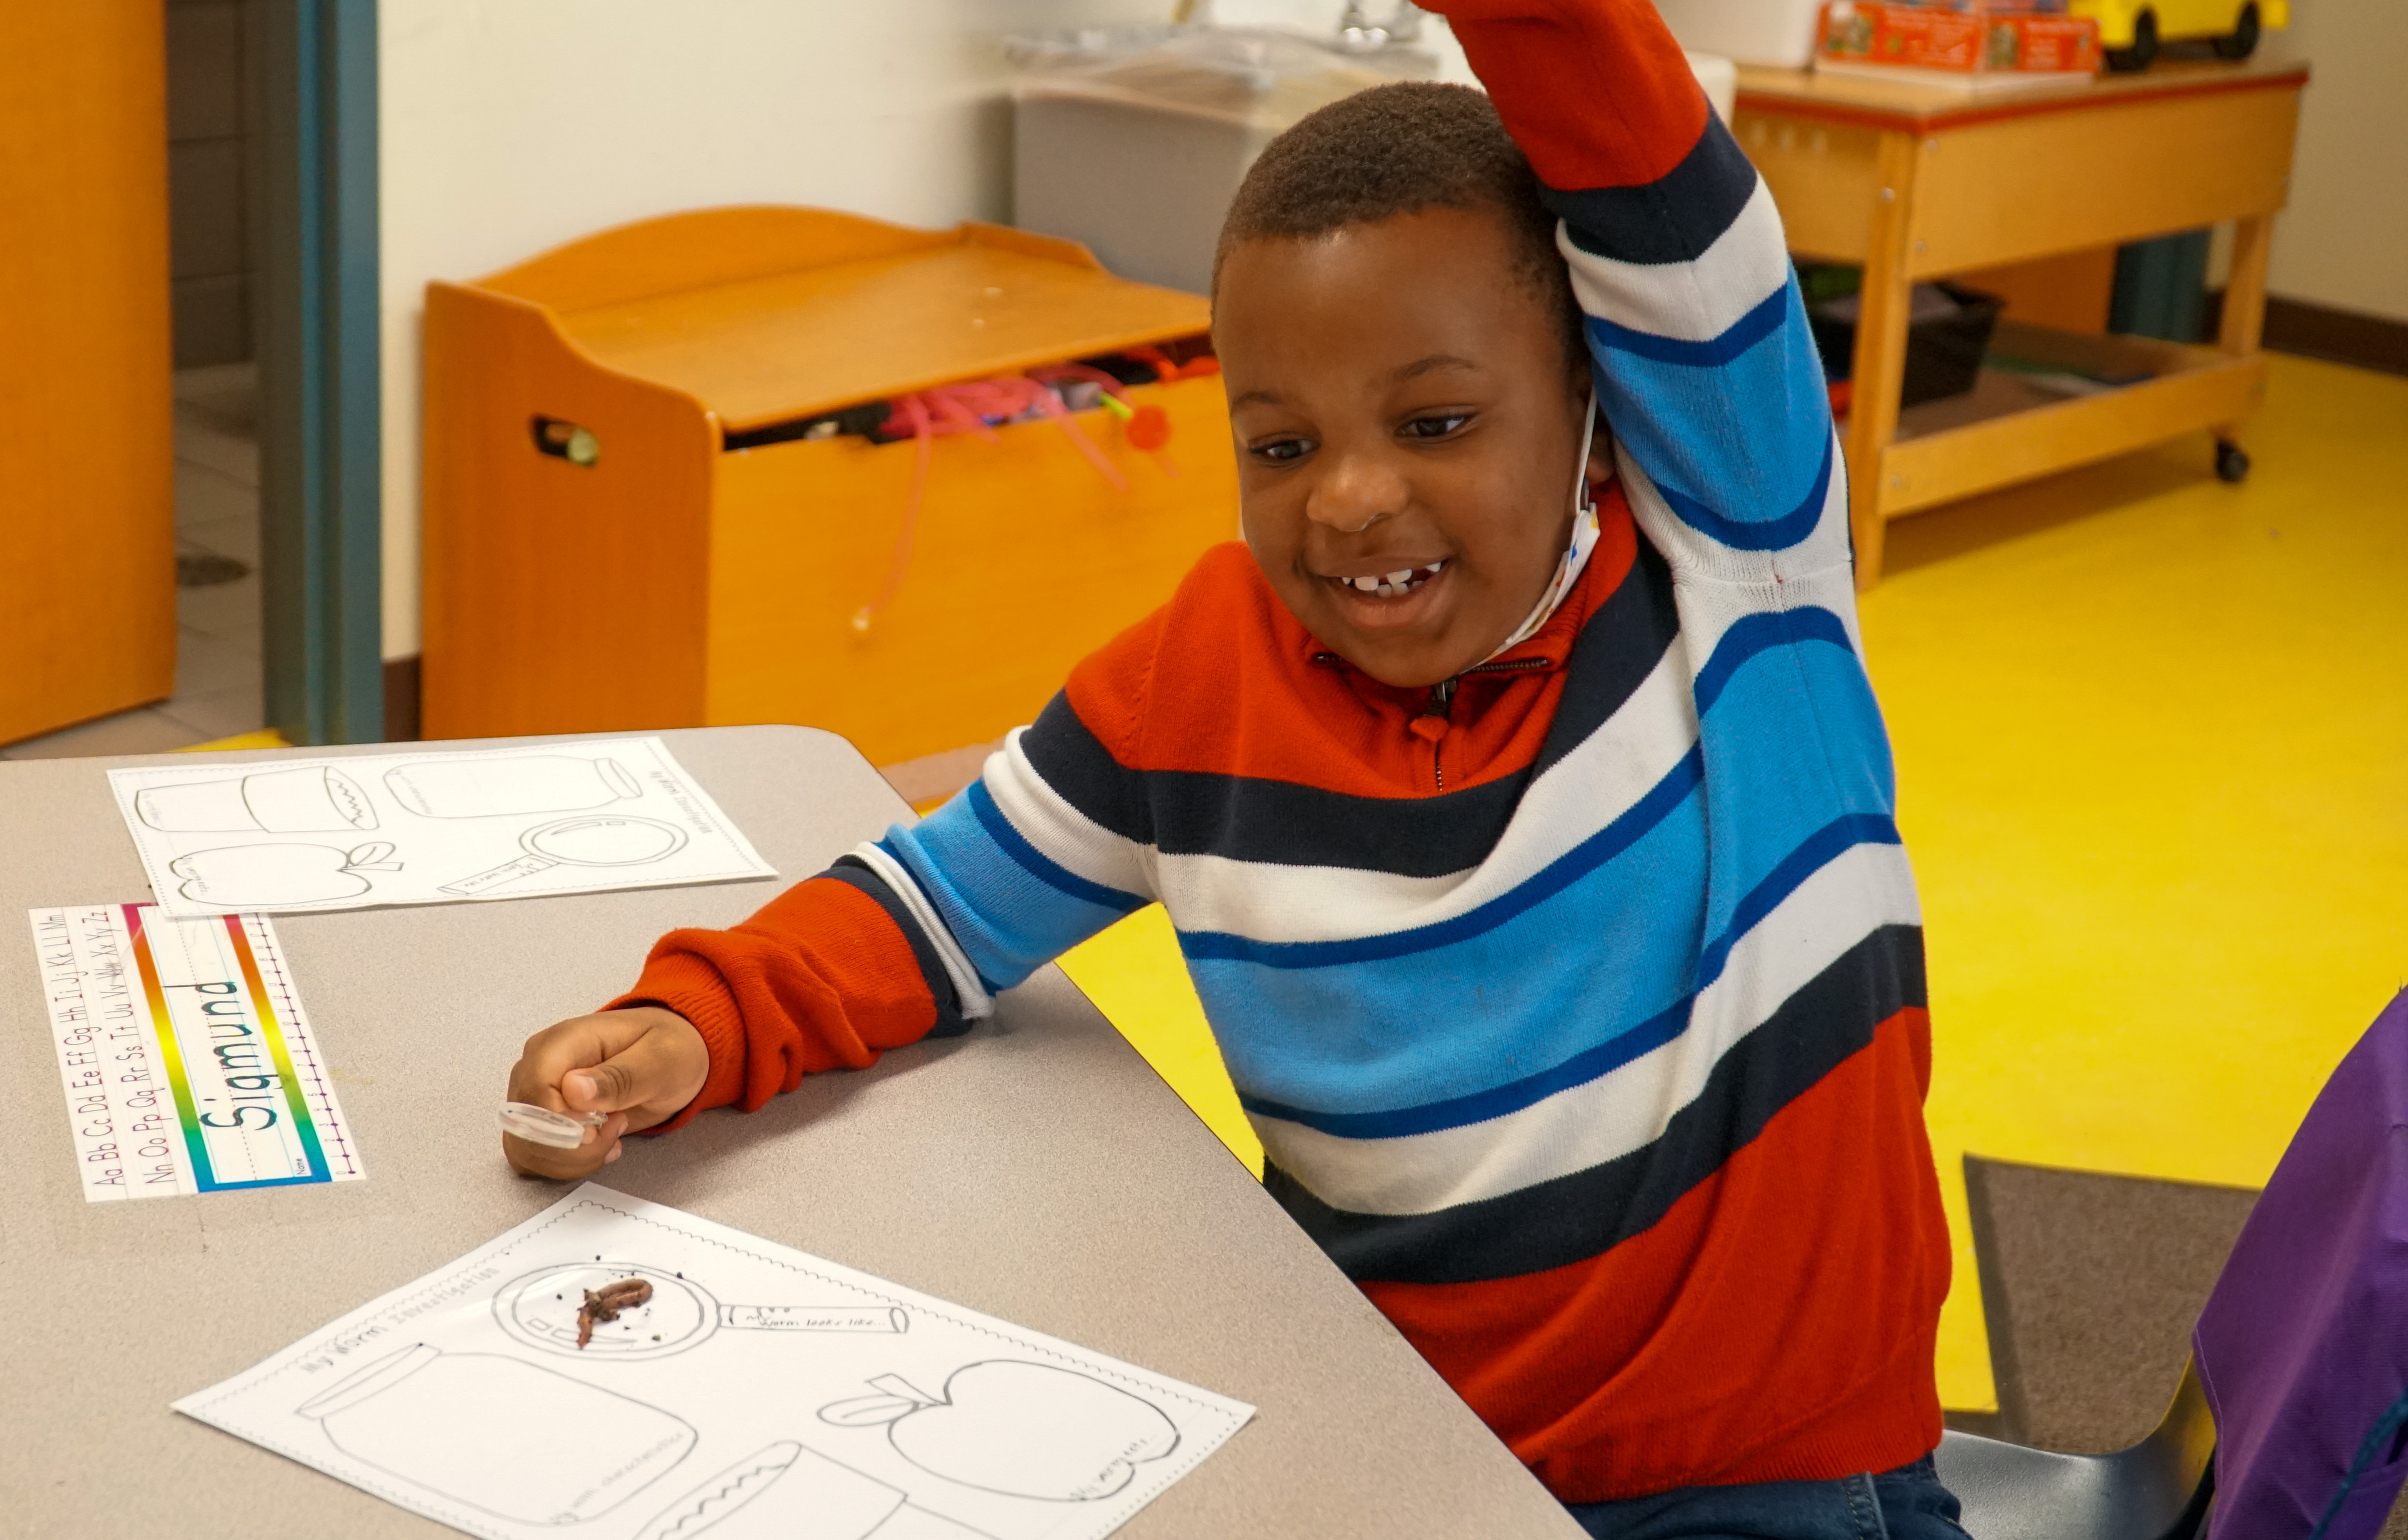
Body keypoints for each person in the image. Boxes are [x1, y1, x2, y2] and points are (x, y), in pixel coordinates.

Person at [502, 1, 1963, 1532]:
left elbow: (1652, 166)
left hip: (1762, 1482)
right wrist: (694, 1017)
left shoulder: (1738, 565)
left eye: (1439, 419)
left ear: (1602, 410)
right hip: (1377, 1450)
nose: (1348, 498)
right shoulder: (1193, 688)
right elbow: (932, 910)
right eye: (1278, 444)